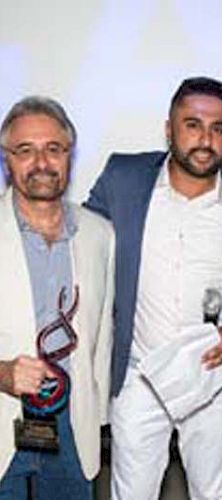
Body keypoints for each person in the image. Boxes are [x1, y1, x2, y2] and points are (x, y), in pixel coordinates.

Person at [85, 76, 222, 500]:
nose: (205, 139)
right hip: (139, 374)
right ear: (169, 129)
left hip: (211, 377)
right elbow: (84, 244)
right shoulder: (124, 178)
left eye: (219, 128)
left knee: (213, 493)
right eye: (192, 124)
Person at [0, 96, 114, 499]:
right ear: (6, 159)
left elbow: (103, 336)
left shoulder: (100, 234)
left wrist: (98, 416)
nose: (42, 163)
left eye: (54, 149)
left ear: (69, 155)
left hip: (72, 423)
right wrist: (1, 371)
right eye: (25, 151)